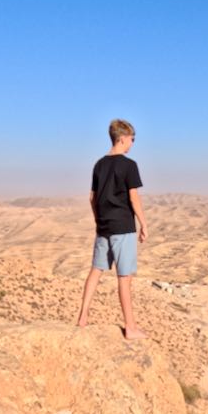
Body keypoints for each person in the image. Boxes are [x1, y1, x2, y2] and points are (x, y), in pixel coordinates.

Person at [76, 119, 149, 339]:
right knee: (124, 278)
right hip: (123, 228)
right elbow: (133, 198)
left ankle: (82, 317)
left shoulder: (99, 165)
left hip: (104, 227)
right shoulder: (129, 165)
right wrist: (143, 223)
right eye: (132, 139)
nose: (132, 144)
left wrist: (99, 220)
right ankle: (130, 327)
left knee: (95, 272)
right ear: (122, 138)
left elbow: (92, 198)